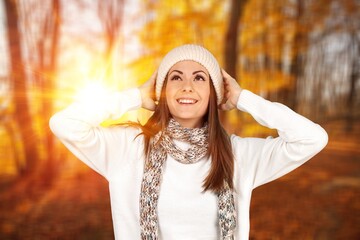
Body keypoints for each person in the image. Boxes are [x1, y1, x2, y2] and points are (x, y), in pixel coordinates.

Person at [49, 44, 328, 240]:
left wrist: (243, 99)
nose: (187, 87)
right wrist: (136, 96)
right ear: (163, 90)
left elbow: (312, 138)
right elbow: (64, 124)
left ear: (213, 93)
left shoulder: (238, 154)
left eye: (199, 78)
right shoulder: (127, 148)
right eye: (175, 78)